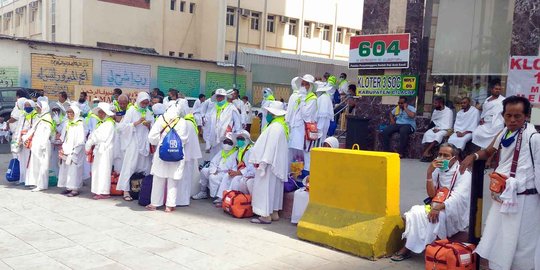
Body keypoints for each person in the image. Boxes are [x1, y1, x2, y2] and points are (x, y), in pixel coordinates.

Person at [460, 96, 540, 270]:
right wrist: (472, 156)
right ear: (503, 115)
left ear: (526, 116)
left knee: (523, 242)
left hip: (525, 200)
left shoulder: (533, 138)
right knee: (500, 236)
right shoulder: (504, 132)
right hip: (503, 195)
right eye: (508, 115)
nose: (512, 120)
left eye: (517, 116)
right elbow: (489, 151)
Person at [391, 143, 471, 261]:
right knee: (415, 212)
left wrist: (437, 208)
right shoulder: (437, 170)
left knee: (435, 218)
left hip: (453, 211)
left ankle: (427, 249)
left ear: (454, 158)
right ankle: (409, 247)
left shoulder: (464, 173)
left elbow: (457, 198)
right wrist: (429, 173)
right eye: (440, 154)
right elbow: (431, 194)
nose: (441, 158)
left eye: (446, 155)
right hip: (436, 206)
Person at [146, 101, 191, 212]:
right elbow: (184, 140)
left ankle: (155, 203)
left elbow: (152, 137)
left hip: (162, 154)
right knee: (173, 180)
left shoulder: (161, 119)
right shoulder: (183, 122)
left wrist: (161, 141)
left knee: (158, 179)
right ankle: (170, 205)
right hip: (177, 154)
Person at [249, 101, 289, 224]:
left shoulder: (275, 127)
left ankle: (265, 215)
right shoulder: (280, 126)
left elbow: (270, 148)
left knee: (265, 189)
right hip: (275, 164)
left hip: (269, 164)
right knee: (274, 190)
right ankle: (273, 212)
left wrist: (263, 163)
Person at [291, 136, 339, 224]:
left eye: (329, 146)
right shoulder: (319, 157)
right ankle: (298, 219)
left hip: (326, 188)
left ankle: (308, 220)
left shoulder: (336, 160)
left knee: (306, 196)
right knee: (299, 194)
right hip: (315, 185)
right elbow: (313, 173)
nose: (326, 148)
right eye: (325, 145)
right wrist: (309, 180)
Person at [117, 92, 154, 201]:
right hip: (133, 143)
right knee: (130, 166)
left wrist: (149, 126)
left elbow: (154, 127)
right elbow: (121, 128)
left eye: (147, 103)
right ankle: (126, 191)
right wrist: (135, 123)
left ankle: (141, 190)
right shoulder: (131, 111)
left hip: (144, 143)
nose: (145, 104)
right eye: (143, 102)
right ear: (139, 101)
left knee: (144, 167)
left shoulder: (148, 112)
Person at [192, 133, 238, 204]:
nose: (227, 144)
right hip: (216, 171)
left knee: (215, 178)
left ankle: (220, 197)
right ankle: (203, 192)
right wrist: (213, 171)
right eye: (225, 142)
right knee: (204, 171)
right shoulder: (222, 151)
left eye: (229, 142)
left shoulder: (235, 153)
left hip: (226, 173)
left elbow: (234, 168)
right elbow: (213, 162)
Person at [288, 74, 318, 176]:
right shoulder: (299, 97)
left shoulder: (312, 98)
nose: (304, 86)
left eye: (306, 84)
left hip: (305, 131)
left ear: (311, 86)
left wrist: (303, 100)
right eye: (302, 84)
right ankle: (295, 174)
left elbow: (306, 115)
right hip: (296, 129)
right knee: (295, 151)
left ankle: (306, 175)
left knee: (306, 152)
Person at [85, 102, 116, 200]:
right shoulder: (103, 123)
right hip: (100, 150)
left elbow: (100, 137)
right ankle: (98, 190)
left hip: (104, 150)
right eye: (99, 112)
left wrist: (92, 139)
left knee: (103, 170)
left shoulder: (109, 124)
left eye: (102, 112)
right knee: (98, 170)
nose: (100, 114)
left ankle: (104, 192)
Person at [22, 98, 54, 191]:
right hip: (36, 144)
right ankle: (36, 183)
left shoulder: (47, 119)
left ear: (43, 108)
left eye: (38, 107)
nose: (37, 109)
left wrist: (43, 145)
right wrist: (25, 138)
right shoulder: (41, 117)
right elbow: (33, 130)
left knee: (42, 165)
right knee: (36, 164)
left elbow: (47, 133)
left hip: (42, 145)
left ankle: (42, 185)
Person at [57, 103, 85, 197]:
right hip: (66, 150)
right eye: (68, 112)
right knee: (65, 169)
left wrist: (74, 152)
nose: (69, 114)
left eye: (71, 112)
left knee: (74, 170)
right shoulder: (67, 123)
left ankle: (75, 189)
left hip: (74, 151)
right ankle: (68, 187)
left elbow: (81, 141)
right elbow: (63, 136)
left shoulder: (79, 124)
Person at [176, 112, 203, 207]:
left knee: (182, 178)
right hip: (189, 155)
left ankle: (180, 200)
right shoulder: (191, 121)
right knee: (187, 178)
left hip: (182, 155)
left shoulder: (184, 122)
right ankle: (183, 199)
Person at [207, 88, 242, 158]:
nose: (220, 98)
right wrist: (208, 142)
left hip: (226, 138)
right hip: (214, 139)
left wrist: (237, 137)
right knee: (214, 158)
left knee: (224, 158)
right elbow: (209, 125)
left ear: (225, 97)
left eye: (222, 96)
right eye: (218, 96)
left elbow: (238, 124)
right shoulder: (214, 108)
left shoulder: (231, 108)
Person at [472, 80, 505, 149]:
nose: (498, 90)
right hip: (486, 122)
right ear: (491, 89)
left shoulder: (503, 100)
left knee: (494, 138)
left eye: (499, 89)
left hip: (496, 123)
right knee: (476, 133)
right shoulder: (487, 99)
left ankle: (489, 152)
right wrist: (482, 118)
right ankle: (482, 151)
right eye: (496, 89)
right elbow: (485, 111)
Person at [420, 97, 454, 161]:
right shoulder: (436, 111)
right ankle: (428, 154)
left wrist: (440, 129)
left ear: (440, 104)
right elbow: (434, 121)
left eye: (435, 103)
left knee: (438, 135)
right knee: (427, 134)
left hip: (445, 129)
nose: (434, 104)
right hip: (436, 128)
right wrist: (435, 128)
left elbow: (449, 125)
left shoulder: (449, 111)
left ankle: (426, 151)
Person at [13, 99, 38, 185]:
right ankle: (22, 179)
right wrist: (17, 139)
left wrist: (26, 136)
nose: (27, 107)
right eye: (26, 105)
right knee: (21, 160)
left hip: (29, 140)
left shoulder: (35, 115)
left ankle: (29, 180)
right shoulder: (22, 114)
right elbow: (19, 127)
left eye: (28, 105)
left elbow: (34, 129)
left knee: (29, 161)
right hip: (21, 140)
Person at [227, 130, 256, 195]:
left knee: (241, 182)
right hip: (242, 172)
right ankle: (228, 198)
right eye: (238, 139)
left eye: (241, 139)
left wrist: (238, 173)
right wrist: (233, 171)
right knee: (229, 177)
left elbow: (251, 167)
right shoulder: (239, 150)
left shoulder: (251, 150)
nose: (239, 141)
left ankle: (244, 200)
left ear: (247, 140)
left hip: (250, 174)